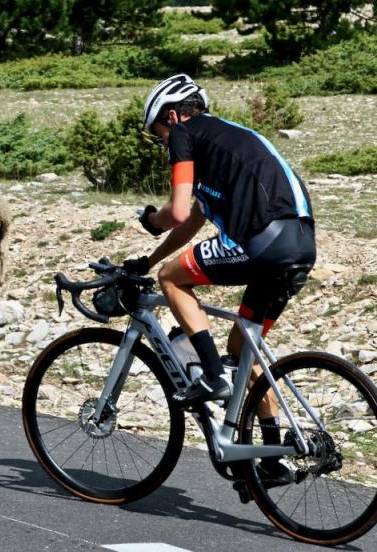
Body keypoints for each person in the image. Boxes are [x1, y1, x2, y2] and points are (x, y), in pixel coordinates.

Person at [124, 74, 316, 482]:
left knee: (172, 280)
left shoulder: (184, 134)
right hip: (299, 243)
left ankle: (211, 377)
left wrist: (150, 221)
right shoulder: (226, 139)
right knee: (243, 345)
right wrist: (147, 258)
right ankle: (272, 456)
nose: (161, 142)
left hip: (261, 243)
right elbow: (193, 219)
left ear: (172, 116)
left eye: (158, 132)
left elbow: (174, 214)